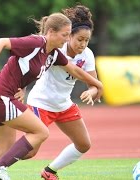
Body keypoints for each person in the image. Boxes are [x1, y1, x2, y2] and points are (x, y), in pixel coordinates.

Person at [0, 12, 103, 180]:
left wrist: (97, 85)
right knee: (41, 132)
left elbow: (74, 70)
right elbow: (0, 42)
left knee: (6, 150)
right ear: (50, 32)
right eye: (64, 35)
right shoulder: (36, 43)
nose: (66, 39)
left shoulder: (54, 53)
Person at [26, 5, 99, 180]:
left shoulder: (87, 55)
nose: (83, 44)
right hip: (41, 103)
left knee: (83, 144)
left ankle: (49, 171)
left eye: (86, 40)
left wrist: (91, 92)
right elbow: (30, 66)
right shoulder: (56, 49)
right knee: (29, 152)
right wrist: (21, 88)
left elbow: (94, 84)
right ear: (69, 36)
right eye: (80, 39)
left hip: (63, 105)